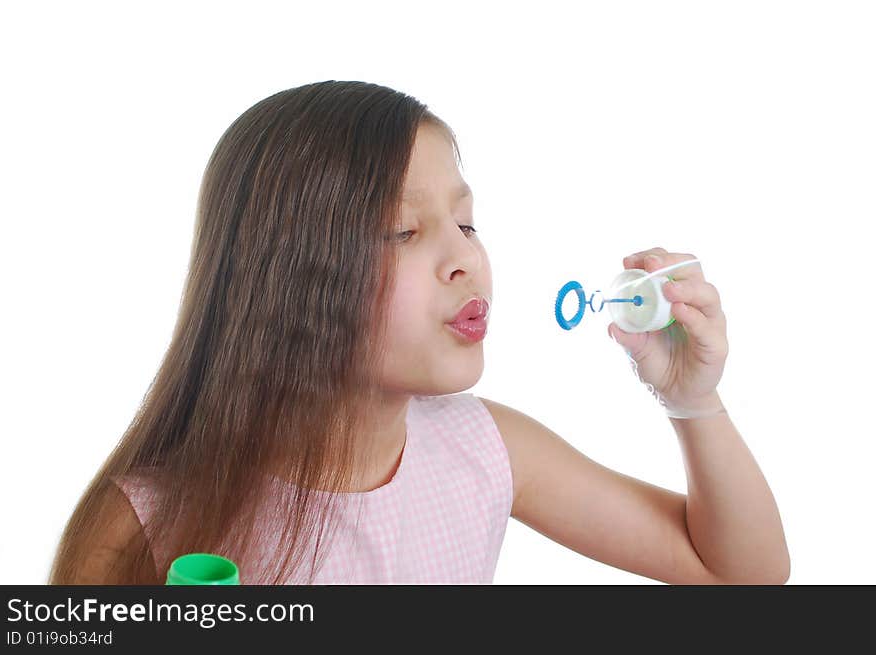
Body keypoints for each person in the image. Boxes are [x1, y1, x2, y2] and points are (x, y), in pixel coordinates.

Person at [48, 81, 790, 585]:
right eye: (405, 230)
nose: (466, 257)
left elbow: (740, 570)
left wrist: (694, 402)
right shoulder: (141, 523)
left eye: (468, 224)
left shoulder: (483, 450)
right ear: (288, 275)